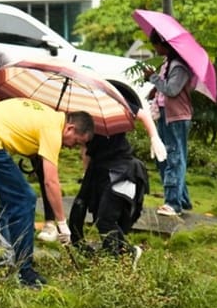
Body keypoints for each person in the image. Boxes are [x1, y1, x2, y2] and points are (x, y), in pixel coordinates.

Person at [0, 98, 94, 288]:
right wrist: (61, 222)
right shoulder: (53, 128)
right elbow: (51, 182)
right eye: (76, 142)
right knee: (25, 199)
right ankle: (23, 271)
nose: (71, 147)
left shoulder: (46, 114)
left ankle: (0, 261)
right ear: (70, 128)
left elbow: (20, 133)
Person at [66, 81, 167, 262]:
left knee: (106, 219)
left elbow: (143, 114)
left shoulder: (112, 105)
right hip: (98, 168)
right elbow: (86, 150)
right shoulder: (83, 114)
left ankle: (126, 254)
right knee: (81, 212)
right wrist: (86, 178)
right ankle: (98, 253)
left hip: (121, 169)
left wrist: (154, 137)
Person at [144, 30, 194, 217]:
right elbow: (165, 88)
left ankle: (173, 203)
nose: (155, 49)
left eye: (156, 45)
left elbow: (172, 90)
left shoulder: (179, 66)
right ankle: (182, 199)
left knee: (174, 158)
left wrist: (153, 78)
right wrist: (155, 89)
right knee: (164, 157)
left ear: (164, 44)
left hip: (177, 117)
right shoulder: (168, 63)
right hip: (166, 114)